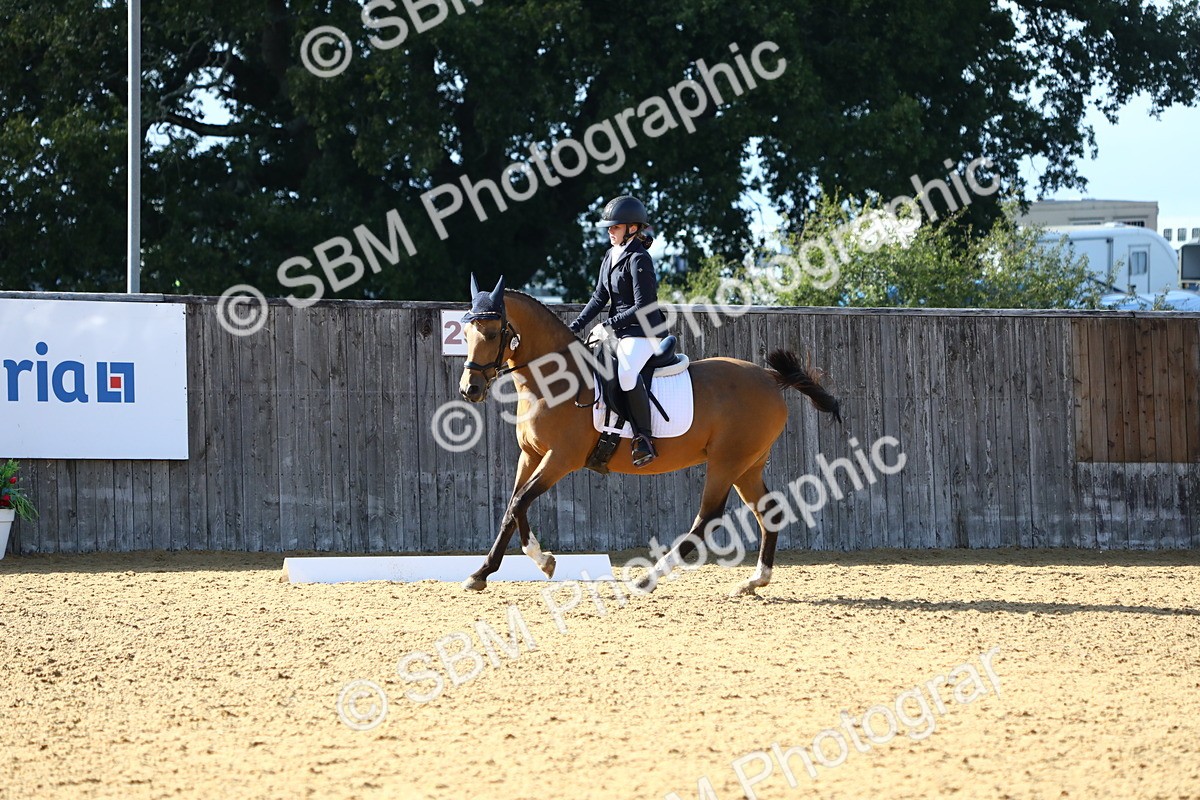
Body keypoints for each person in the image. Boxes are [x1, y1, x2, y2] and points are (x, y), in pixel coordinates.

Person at [568, 195, 668, 467]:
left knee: (625, 373)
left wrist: (607, 325)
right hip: (621, 331)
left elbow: (643, 306)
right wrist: (575, 326)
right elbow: (599, 297)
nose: (610, 231)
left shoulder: (639, 259)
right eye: (609, 227)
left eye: (615, 227)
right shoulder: (610, 255)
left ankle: (644, 438)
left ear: (632, 228)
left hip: (644, 332)